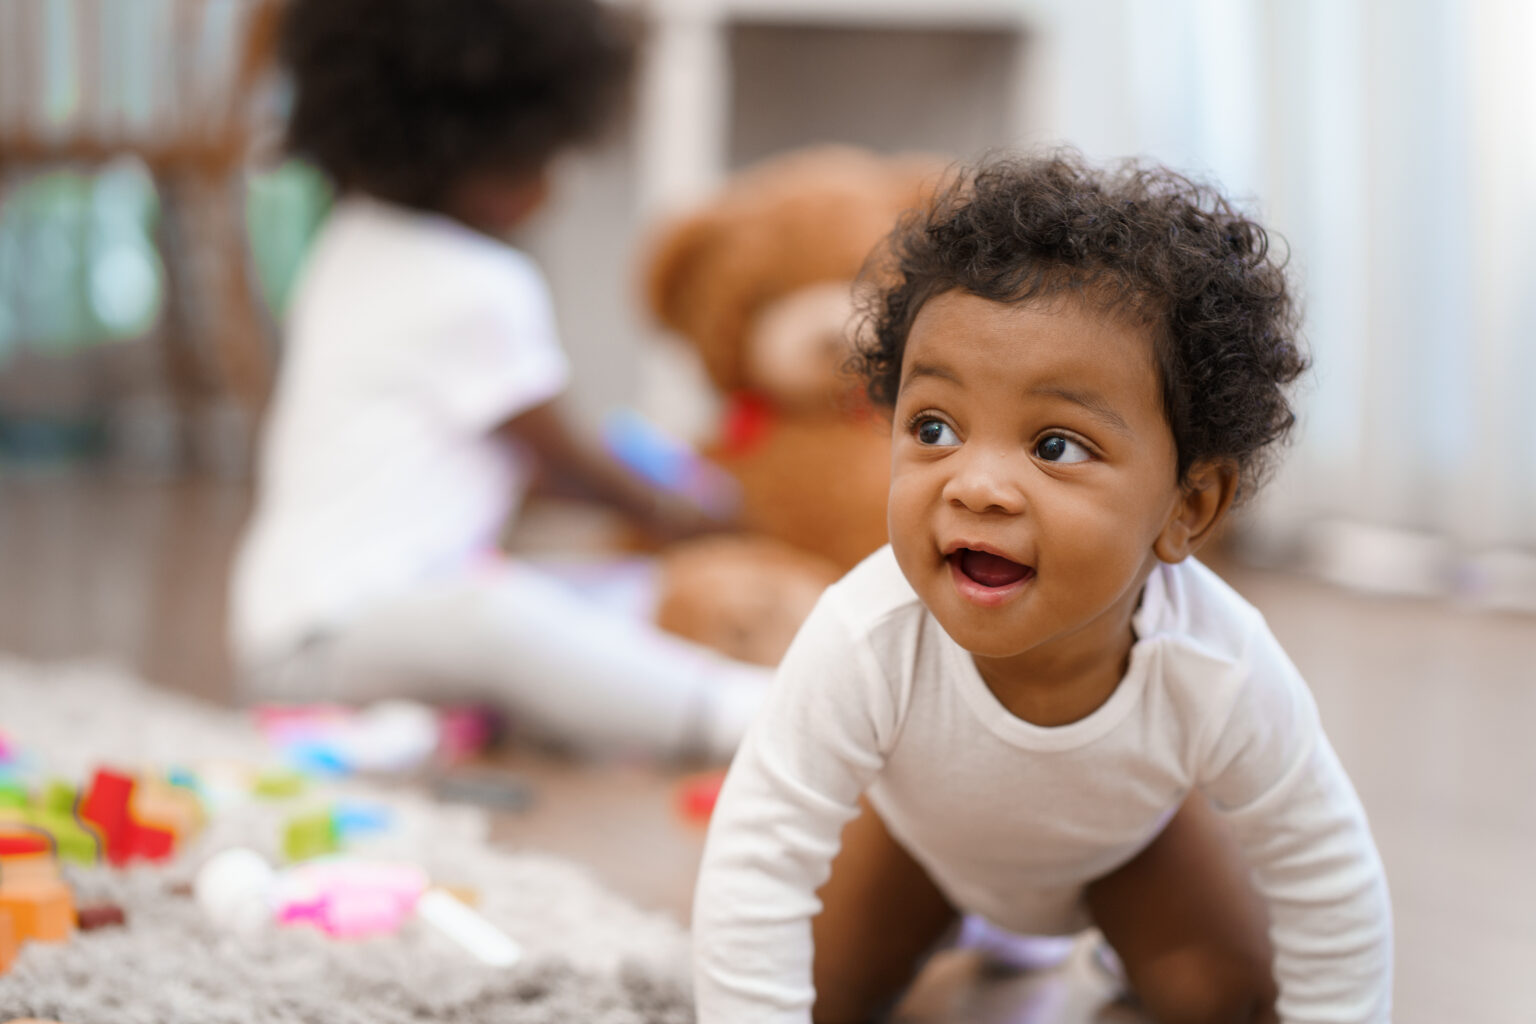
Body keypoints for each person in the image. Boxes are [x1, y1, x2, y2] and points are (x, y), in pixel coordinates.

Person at [692, 154, 1393, 1022]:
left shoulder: (1221, 661)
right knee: (815, 995)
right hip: (920, 848)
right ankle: (969, 932)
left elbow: (1325, 870)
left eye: (1055, 445)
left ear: (1189, 505)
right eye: (935, 428)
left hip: (1129, 852)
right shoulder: (865, 634)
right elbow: (759, 852)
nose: (976, 486)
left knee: (1225, 999)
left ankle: (1099, 954)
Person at [228, 0, 770, 762]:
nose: (556, 181)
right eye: (542, 156)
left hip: (293, 628)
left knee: (594, 596)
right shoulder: (477, 284)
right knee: (504, 615)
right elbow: (563, 462)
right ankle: (738, 714)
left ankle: (626, 689)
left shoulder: (347, 241)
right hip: (338, 637)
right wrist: (677, 509)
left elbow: (505, 464)